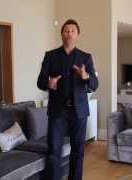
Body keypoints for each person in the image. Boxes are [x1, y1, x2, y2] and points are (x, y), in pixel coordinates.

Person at [37, 19, 99, 180]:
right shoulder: (50, 56)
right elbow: (40, 81)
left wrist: (86, 77)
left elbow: (95, 84)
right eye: (66, 30)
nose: (69, 33)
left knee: (78, 151)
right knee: (54, 151)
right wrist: (48, 83)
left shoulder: (86, 57)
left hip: (79, 112)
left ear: (78, 35)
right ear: (61, 34)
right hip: (58, 111)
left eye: (72, 30)